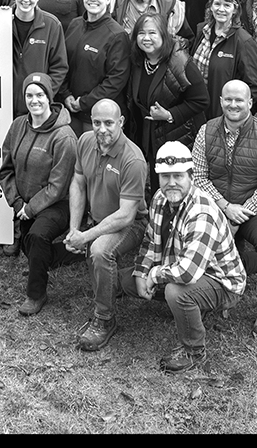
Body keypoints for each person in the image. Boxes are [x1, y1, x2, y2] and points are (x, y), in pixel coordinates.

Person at [123, 141, 248, 372]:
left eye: (178, 176)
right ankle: (191, 309)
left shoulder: (202, 211)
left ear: (191, 177)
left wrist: (155, 273)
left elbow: (188, 273)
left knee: (176, 292)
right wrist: (142, 273)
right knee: (127, 280)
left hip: (221, 282)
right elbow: (150, 240)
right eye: (165, 176)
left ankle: (194, 351)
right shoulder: (160, 199)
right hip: (179, 264)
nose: (171, 183)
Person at [191, 80, 257, 336]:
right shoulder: (206, 131)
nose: (233, 105)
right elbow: (199, 177)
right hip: (215, 204)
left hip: (255, 208)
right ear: (221, 101)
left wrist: (239, 213)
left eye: (239, 100)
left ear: (250, 103)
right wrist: (224, 207)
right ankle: (202, 294)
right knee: (198, 242)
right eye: (228, 99)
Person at [66, 100, 148, 352]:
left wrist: (87, 236)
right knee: (94, 252)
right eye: (97, 123)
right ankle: (111, 289)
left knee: (100, 251)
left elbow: (125, 216)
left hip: (132, 222)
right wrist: (74, 229)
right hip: (97, 218)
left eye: (109, 123)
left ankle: (104, 318)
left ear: (121, 123)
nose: (102, 129)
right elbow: (78, 182)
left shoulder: (133, 160)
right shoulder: (85, 141)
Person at [0, 72, 76, 315]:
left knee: (37, 238)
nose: (35, 100)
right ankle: (72, 254)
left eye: (40, 94)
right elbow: (5, 169)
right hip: (24, 205)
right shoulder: (18, 125)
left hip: (57, 204)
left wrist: (29, 209)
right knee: (31, 249)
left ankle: (36, 294)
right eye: (29, 95)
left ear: (49, 97)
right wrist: (17, 202)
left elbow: (58, 186)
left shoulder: (64, 137)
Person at [182, 0, 257, 143]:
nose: (221, 9)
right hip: (195, 112)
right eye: (217, 4)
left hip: (222, 118)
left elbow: (255, 86)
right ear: (211, 6)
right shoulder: (201, 32)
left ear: (235, 9)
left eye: (227, 5)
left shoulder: (244, 42)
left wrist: (233, 112)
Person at [122, 12, 204, 160]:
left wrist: (169, 114)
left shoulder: (181, 63)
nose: (146, 38)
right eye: (141, 33)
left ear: (163, 35)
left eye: (152, 33)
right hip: (149, 139)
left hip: (178, 138)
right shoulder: (137, 61)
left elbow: (201, 100)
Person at [60, 0, 129, 138]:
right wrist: (65, 95)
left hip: (97, 119)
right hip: (70, 112)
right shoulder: (75, 25)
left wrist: (84, 102)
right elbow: (62, 62)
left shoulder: (117, 35)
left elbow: (116, 80)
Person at [8, 0, 70, 114]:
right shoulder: (0, 22)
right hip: (4, 107)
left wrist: (44, 95)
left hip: (37, 109)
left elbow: (59, 67)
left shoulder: (52, 25)